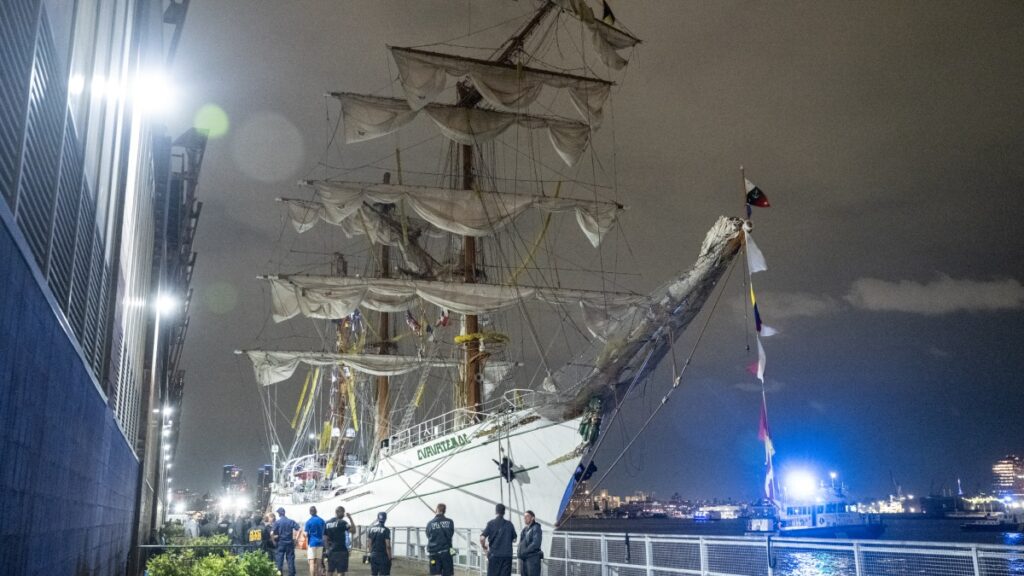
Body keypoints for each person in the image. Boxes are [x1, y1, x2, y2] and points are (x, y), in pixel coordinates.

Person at [480, 503, 516, 576]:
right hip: (507, 556)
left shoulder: (491, 523)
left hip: (494, 556)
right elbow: (514, 539)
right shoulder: (509, 524)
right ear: (504, 512)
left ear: (496, 512)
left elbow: (482, 538)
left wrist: (484, 547)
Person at [324, 506, 356, 576]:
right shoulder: (342, 522)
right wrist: (350, 518)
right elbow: (353, 531)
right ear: (338, 512)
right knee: (340, 572)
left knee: (330, 570)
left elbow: (325, 537)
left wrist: (327, 549)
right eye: (343, 512)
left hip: (331, 550)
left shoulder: (327, 523)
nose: (344, 514)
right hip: (341, 550)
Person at [426, 503, 455, 576]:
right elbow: (450, 534)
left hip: (433, 554)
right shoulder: (450, 522)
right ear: (444, 511)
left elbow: (428, 535)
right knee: (448, 573)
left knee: (435, 573)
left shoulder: (430, 523)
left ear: (437, 509)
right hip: (446, 553)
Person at [272, 507, 301, 576]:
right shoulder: (291, 521)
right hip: (289, 543)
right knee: (290, 560)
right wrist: (296, 540)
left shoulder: (277, 522)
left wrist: (273, 541)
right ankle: (291, 574)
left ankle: (279, 574)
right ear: (284, 513)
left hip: (280, 543)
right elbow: (299, 529)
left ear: (279, 514)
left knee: (279, 560)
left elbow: (271, 533)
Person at [366, 512, 392, 576]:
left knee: (374, 574)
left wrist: (370, 553)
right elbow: (388, 546)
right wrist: (390, 557)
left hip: (373, 555)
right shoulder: (386, 530)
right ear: (385, 519)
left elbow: (369, 543)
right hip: (383, 556)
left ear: (377, 518)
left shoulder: (371, 529)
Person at [517, 510, 543, 576]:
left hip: (533, 559)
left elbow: (536, 543)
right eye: (524, 517)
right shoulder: (524, 530)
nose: (525, 518)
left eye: (527, 516)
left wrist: (525, 551)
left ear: (532, 518)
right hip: (524, 559)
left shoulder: (536, 528)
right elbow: (521, 543)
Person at [305, 506, 327, 576]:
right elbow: (324, 532)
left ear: (310, 512)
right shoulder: (322, 521)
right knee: (319, 562)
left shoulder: (308, 522)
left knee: (311, 563)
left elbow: (305, 534)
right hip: (320, 543)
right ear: (316, 511)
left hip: (312, 543)